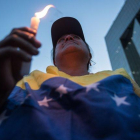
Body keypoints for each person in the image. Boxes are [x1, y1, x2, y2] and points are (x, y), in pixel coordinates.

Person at [0, 17, 140, 140]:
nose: (68, 38)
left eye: (76, 37)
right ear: (54, 60)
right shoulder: (30, 80)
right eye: (61, 40)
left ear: (89, 54)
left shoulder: (120, 77)